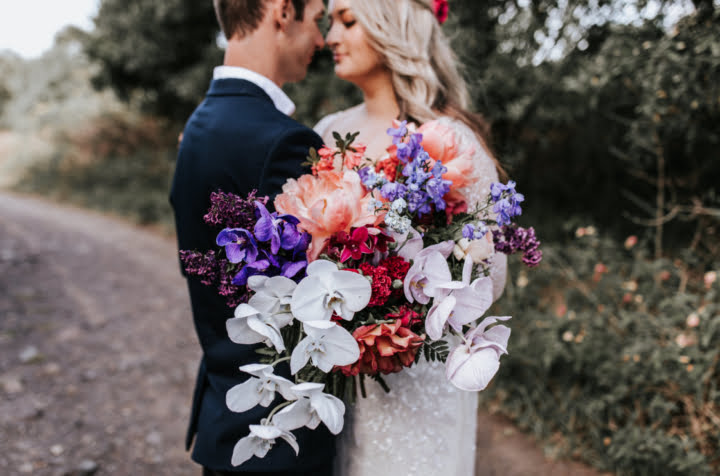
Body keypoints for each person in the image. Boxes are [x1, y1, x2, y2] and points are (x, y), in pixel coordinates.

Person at [314, 1, 508, 475]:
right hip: (339, 377)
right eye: (330, 22)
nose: (330, 37)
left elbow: (492, 274)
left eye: (347, 21)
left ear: (390, 24)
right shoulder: (327, 132)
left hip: (420, 378)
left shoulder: (450, 142)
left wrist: (407, 300)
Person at [169, 0, 337, 474]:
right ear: (282, 11)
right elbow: (315, 299)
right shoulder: (285, 142)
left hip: (225, 418)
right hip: (278, 439)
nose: (321, 39)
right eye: (317, 19)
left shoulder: (199, 126)